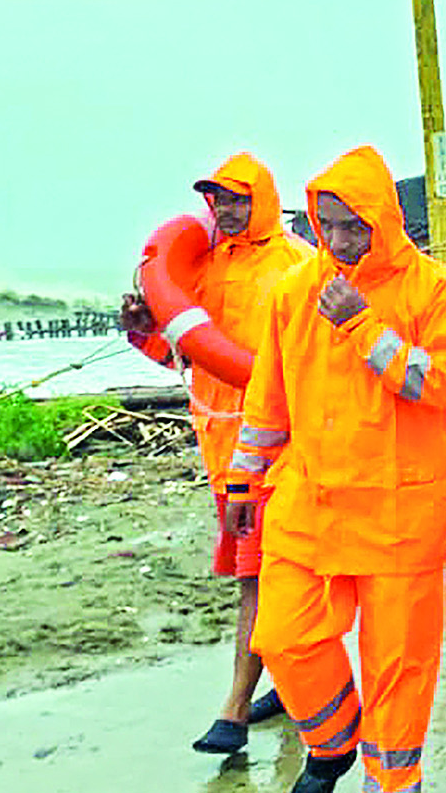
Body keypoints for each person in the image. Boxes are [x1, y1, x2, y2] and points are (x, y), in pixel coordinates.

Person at [226, 145, 446, 793]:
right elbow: (267, 398)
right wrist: (244, 479)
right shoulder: (295, 291)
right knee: (282, 635)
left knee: (398, 663)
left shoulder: (434, 289)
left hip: (402, 512)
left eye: (353, 227)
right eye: (328, 225)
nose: (339, 241)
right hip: (310, 500)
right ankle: (332, 742)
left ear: (385, 222)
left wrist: (365, 327)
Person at [119, 152, 310, 756]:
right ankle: (293, 685)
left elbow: (309, 364)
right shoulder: (203, 270)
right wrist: (144, 328)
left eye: (234, 198)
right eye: (216, 200)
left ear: (261, 200)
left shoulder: (297, 266)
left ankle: (233, 711)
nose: (223, 210)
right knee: (276, 575)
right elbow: (186, 356)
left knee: (259, 576)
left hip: (283, 449)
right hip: (224, 450)